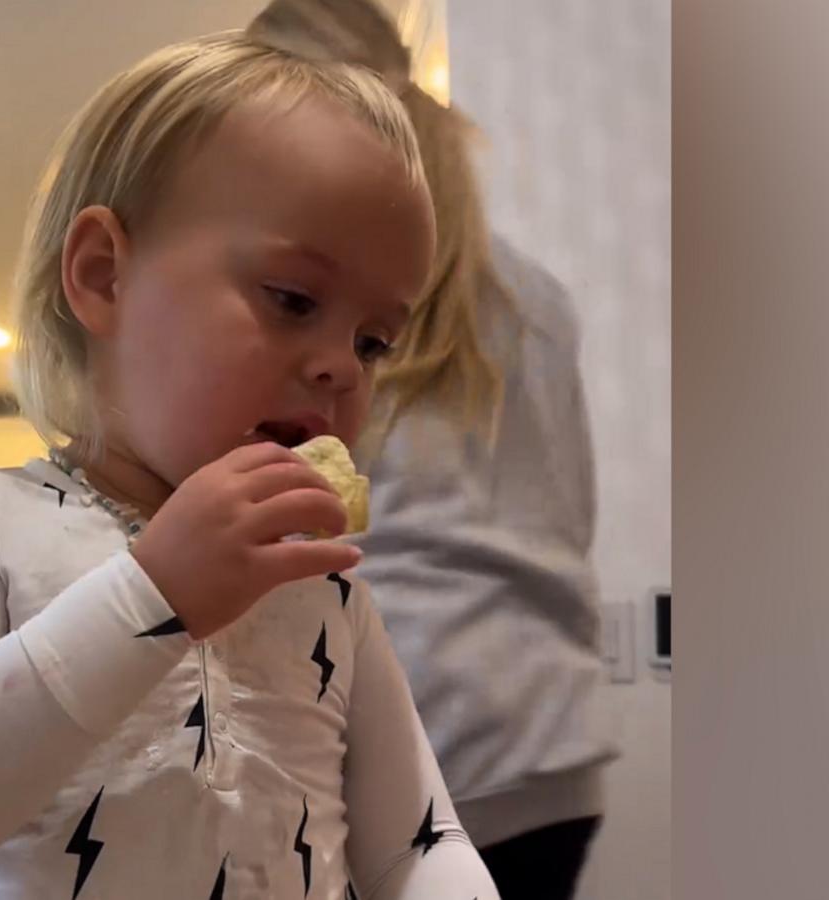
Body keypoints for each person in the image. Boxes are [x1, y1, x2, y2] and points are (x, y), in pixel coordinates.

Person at [0, 31, 500, 900]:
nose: (342, 367)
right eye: (292, 300)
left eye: (374, 341)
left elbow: (416, 847)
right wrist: (152, 594)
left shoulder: (328, 594)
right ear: (103, 277)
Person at [247, 3, 620, 899]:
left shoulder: (316, 290)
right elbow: (571, 512)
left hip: (401, 723)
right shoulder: (538, 299)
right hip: (548, 740)